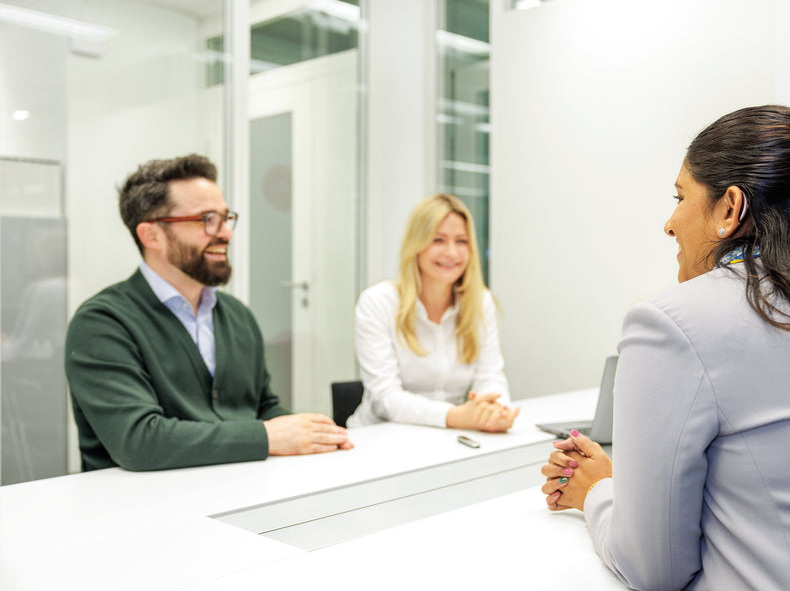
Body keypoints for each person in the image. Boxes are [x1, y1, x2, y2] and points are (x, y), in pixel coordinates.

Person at [541, 106, 790, 590]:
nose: (669, 224)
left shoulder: (672, 323)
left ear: (730, 209)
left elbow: (653, 569)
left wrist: (598, 492)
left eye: (680, 197)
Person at [65, 154, 352, 471]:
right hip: (143, 500)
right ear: (152, 236)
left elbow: (262, 407)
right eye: (206, 219)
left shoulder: (237, 316)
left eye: (225, 218)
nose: (226, 233)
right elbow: (139, 441)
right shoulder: (102, 323)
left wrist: (315, 433)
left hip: (237, 489)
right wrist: (267, 436)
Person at [348, 194, 519, 431]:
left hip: (451, 437)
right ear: (415, 245)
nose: (452, 253)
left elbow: (490, 377)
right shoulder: (378, 302)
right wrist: (455, 416)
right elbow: (385, 397)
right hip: (381, 436)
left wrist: (495, 411)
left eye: (461, 241)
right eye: (438, 240)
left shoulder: (480, 302)